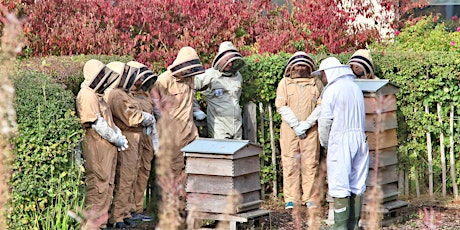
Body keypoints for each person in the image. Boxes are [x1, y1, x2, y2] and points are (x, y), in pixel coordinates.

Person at [313, 57, 369, 229]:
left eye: (322, 74)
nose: (322, 78)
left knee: (339, 183)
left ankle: (340, 227)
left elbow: (325, 121)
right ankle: (353, 225)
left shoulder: (332, 90)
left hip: (340, 139)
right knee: (357, 182)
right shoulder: (355, 87)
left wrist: (325, 142)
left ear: (329, 73)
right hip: (360, 139)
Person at [75, 59, 128, 230]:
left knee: (107, 185)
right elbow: (97, 123)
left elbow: (108, 121)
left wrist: (117, 134)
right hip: (96, 148)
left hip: (107, 149)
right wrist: (115, 137)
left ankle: (101, 222)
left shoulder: (98, 96)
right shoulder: (87, 94)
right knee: (97, 185)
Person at [105, 61, 156, 228]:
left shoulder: (125, 93)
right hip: (128, 136)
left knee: (132, 175)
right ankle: (118, 216)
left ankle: (125, 213)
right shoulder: (117, 95)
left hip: (137, 137)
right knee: (125, 177)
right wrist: (144, 117)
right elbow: (130, 117)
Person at [275, 52, 323, 210]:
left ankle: (309, 197)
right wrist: (296, 125)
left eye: (303, 65)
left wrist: (308, 123)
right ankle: (291, 199)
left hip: (311, 130)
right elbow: (281, 106)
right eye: (298, 65)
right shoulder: (284, 83)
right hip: (290, 130)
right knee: (290, 163)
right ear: (291, 67)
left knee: (311, 163)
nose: (300, 68)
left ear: (309, 66)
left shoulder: (316, 83)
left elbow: (322, 105)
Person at [151, 46, 205, 179]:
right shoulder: (164, 80)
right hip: (172, 134)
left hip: (190, 131)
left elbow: (191, 97)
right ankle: (174, 198)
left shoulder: (190, 78)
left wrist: (196, 110)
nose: (190, 70)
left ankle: (189, 198)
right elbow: (155, 105)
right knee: (174, 168)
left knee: (193, 165)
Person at [126, 61, 158, 222]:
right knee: (130, 173)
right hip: (133, 136)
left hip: (147, 137)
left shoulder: (146, 94)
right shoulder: (126, 94)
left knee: (144, 171)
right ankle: (128, 209)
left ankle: (138, 208)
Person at [194, 41, 245, 139]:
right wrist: (196, 109)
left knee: (237, 153)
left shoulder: (238, 76)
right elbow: (190, 86)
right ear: (220, 59)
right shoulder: (210, 75)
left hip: (237, 124)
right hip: (219, 126)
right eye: (227, 60)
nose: (230, 64)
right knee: (222, 152)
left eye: (233, 61)